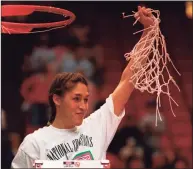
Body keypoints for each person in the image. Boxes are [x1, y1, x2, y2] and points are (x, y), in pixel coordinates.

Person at [12, 6, 155, 168]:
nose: (83, 105)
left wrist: (148, 32)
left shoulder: (96, 126)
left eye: (86, 99)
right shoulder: (34, 143)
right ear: (57, 99)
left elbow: (128, 80)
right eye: (76, 99)